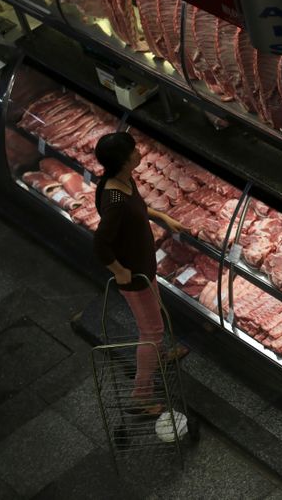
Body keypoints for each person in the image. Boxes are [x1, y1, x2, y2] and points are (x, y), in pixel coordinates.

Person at [93, 132, 187, 413]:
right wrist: (120, 271)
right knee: (151, 331)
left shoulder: (122, 181)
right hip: (133, 275)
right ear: (123, 160)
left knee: (153, 320)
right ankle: (141, 395)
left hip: (143, 267)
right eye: (133, 151)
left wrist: (162, 217)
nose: (139, 152)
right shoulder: (114, 200)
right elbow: (100, 245)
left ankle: (161, 356)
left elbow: (138, 210)